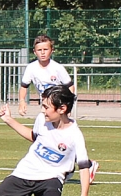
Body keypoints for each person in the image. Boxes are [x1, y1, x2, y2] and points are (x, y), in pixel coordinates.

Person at [18, 34, 98, 183]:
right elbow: (24, 86)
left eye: (45, 49)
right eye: (39, 50)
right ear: (34, 52)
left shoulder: (57, 68)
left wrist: (67, 107)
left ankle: (76, 166)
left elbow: (70, 87)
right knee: (41, 138)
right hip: (45, 110)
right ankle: (84, 164)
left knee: (51, 139)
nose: (42, 52)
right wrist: (22, 101)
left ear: (52, 50)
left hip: (57, 112)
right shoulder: (31, 68)